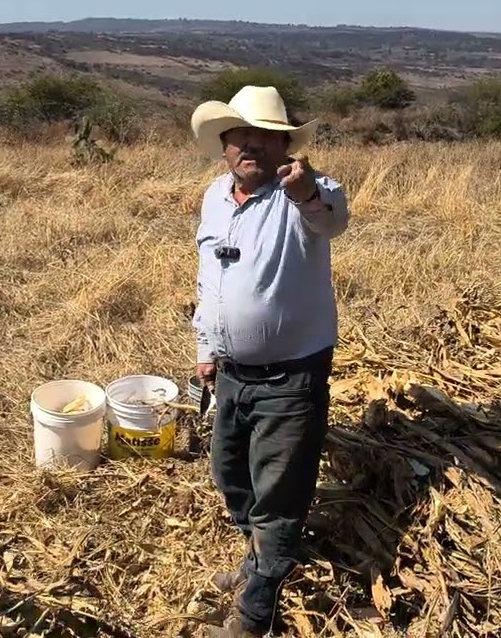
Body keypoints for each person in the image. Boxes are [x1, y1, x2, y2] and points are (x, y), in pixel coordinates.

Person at [189, 85, 350, 636]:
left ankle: (257, 607)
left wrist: (306, 193)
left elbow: (331, 218)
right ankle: (258, 556)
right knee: (230, 473)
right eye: (240, 137)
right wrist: (206, 347)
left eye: (265, 136)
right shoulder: (215, 196)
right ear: (225, 146)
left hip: (290, 378)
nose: (251, 146)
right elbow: (210, 278)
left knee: (279, 496)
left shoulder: (305, 195)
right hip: (231, 373)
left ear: (286, 147)